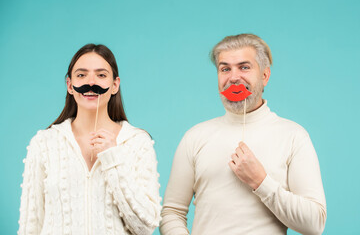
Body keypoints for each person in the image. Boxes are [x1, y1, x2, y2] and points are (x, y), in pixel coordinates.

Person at [160, 34, 326, 234]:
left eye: (244, 67)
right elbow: (171, 213)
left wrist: (261, 181)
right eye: (225, 69)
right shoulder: (194, 137)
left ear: (265, 76)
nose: (233, 77)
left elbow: (314, 224)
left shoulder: (294, 136)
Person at [18, 44, 162, 235]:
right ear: (70, 85)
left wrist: (113, 159)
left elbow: (146, 226)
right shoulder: (44, 143)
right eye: (81, 75)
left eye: (101, 75)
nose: (91, 82)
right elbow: (30, 225)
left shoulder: (137, 142)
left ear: (114, 85)